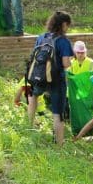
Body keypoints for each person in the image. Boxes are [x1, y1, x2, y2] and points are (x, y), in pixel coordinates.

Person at [28, 11, 74, 145]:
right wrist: (72, 62)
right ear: (64, 24)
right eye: (68, 25)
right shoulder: (63, 41)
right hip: (56, 79)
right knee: (57, 112)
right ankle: (59, 144)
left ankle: (28, 126)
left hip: (39, 75)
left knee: (34, 97)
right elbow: (65, 64)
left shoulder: (42, 37)